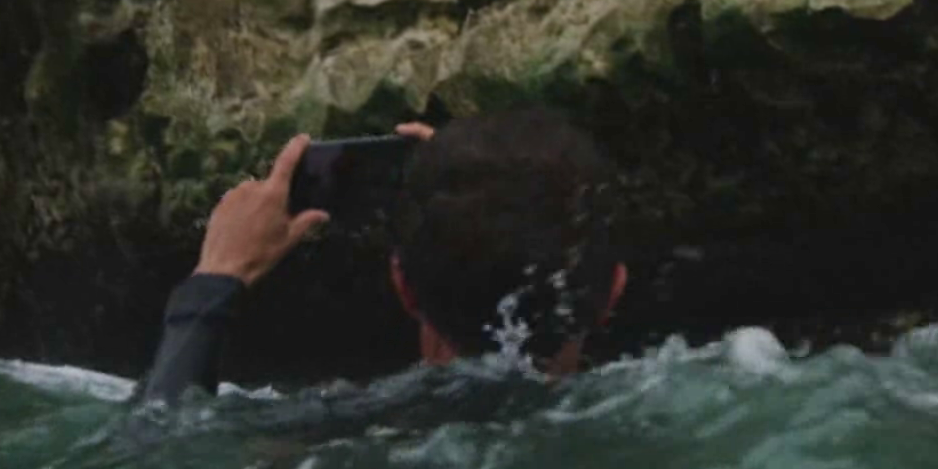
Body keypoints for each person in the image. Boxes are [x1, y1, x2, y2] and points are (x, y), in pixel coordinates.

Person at [135, 106, 629, 405]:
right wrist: (483, 182)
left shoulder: (350, 441)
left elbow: (162, 452)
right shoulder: (636, 425)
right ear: (613, 290)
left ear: (403, 287)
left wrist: (217, 275)